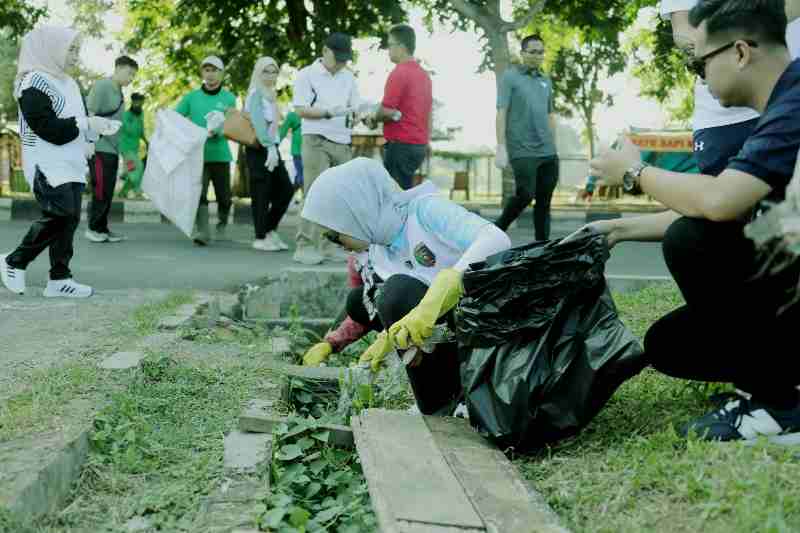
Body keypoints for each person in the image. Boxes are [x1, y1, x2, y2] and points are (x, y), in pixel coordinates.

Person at [587, 0, 800, 442]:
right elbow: (735, 206)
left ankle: (779, 405)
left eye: (699, 65)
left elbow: (720, 204)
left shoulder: (793, 102)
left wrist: (634, 173)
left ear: (740, 53)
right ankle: (778, 378)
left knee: (694, 240)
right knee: (674, 343)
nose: (698, 79)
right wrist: (619, 228)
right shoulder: (779, 108)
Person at [300, 157, 511, 415]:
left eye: (334, 234)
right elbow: (378, 301)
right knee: (371, 299)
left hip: (490, 324)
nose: (335, 242)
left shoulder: (425, 211)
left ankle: (461, 395)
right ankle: (438, 403)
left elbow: (497, 239)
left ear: (356, 211)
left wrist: (453, 279)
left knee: (395, 293)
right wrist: (379, 338)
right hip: (454, 327)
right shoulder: (379, 249)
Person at [1, 27, 117, 298]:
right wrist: (86, 124)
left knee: (71, 219)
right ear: (51, 49)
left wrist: (93, 133)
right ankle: (14, 261)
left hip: (72, 162)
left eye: (77, 50)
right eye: (71, 49)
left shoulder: (69, 82)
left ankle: (59, 278)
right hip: (47, 163)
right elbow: (49, 129)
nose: (76, 56)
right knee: (61, 214)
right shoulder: (33, 83)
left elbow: (79, 119)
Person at [292, 32, 363, 265]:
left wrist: (356, 116)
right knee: (314, 192)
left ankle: (329, 245)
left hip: (342, 140)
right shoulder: (306, 75)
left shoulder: (349, 78)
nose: (342, 63)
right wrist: (328, 112)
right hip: (316, 138)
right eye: (338, 57)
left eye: (345, 58)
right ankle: (305, 245)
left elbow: (355, 108)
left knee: (338, 196)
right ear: (325, 52)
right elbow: (301, 109)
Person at [494, 34, 559, 241]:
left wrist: (554, 147)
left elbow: (550, 114)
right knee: (525, 194)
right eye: (533, 52)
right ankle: (495, 231)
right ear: (522, 53)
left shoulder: (546, 80)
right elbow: (501, 111)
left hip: (547, 151)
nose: (537, 56)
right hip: (522, 149)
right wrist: (501, 146)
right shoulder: (510, 77)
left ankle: (542, 246)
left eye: (541, 52)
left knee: (544, 202)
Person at [175, 55, 237, 245]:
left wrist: (218, 130)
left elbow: (232, 125)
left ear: (221, 73)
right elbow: (176, 119)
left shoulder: (229, 98)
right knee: (198, 194)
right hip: (197, 155)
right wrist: (191, 134)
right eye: (207, 70)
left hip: (220, 154)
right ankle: (202, 231)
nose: (210, 75)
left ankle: (221, 226)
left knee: (224, 197)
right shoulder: (191, 98)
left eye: (214, 70)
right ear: (202, 73)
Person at [369, 24, 433, 190]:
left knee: (395, 199)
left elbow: (386, 110)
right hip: (419, 145)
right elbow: (427, 113)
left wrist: (373, 118)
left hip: (401, 146)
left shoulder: (399, 73)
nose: (388, 50)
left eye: (390, 45)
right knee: (404, 193)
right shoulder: (424, 75)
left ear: (402, 47)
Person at [85, 55, 138, 243]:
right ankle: (93, 229)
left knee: (107, 190)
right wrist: (89, 143)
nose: (131, 78)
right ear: (118, 68)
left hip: (112, 149)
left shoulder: (120, 92)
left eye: (134, 75)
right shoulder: (102, 86)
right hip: (98, 147)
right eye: (129, 73)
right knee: (100, 189)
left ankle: (102, 229)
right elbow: (89, 113)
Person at [244, 57, 294, 252]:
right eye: (266, 71)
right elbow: (257, 121)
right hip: (259, 148)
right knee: (261, 192)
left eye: (274, 71)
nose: (270, 75)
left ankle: (269, 229)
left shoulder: (270, 95)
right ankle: (260, 237)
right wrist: (269, 146)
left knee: (285, 189)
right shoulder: (255, 94)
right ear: (258, 72)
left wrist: (273, 146)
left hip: (271, 148)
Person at [119, 92, 148, 199]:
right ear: (133, 102)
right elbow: (129, 130)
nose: (139, 105)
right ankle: (138, 191)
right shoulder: (126, 116)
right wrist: (135, 120)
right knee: (138, 167)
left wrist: (146, 141)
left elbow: (141, 130)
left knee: (132, 171)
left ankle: (122, 192)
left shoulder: (141, 114)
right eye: (137, 103)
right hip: (126, 149)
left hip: (134, 148)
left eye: (141, 103)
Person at [278, 109, 304, 194]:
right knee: (302, 175)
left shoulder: (292, 115)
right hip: (303, 150)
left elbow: (282, 132)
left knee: (301, 175)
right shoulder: (315, 113)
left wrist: (273, 146)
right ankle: (301, 195)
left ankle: (296, 194)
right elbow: (282, 132)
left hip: (298, 150)